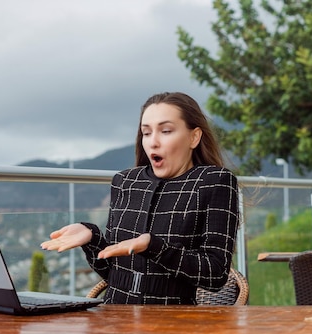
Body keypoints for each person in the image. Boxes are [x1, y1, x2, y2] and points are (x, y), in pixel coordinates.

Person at [41, 92, 239, 304]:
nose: (153, 142)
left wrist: (154, 247)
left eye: (166, 131)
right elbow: (113, 274)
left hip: (173, 324)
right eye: (146, 133)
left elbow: (216, 274)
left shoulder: (215, 181)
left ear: (194, 137)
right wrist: (91, 237)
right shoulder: (125, 181)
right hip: (114, 321)